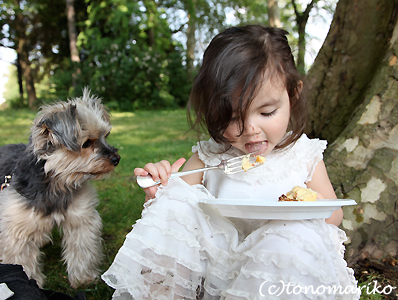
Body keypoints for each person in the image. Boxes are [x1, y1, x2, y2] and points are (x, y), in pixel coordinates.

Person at [102, 25, 360, 299]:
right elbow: (175, 215)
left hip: (276, 271)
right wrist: (161, 192)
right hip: (217, 273)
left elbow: (335, 214)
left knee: (292, 238)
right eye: (233, 116)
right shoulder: (210, 156)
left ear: (293, 95)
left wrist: (307, 206)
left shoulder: (302, 154)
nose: (250, 129)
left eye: (267, 111)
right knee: (177, 206)